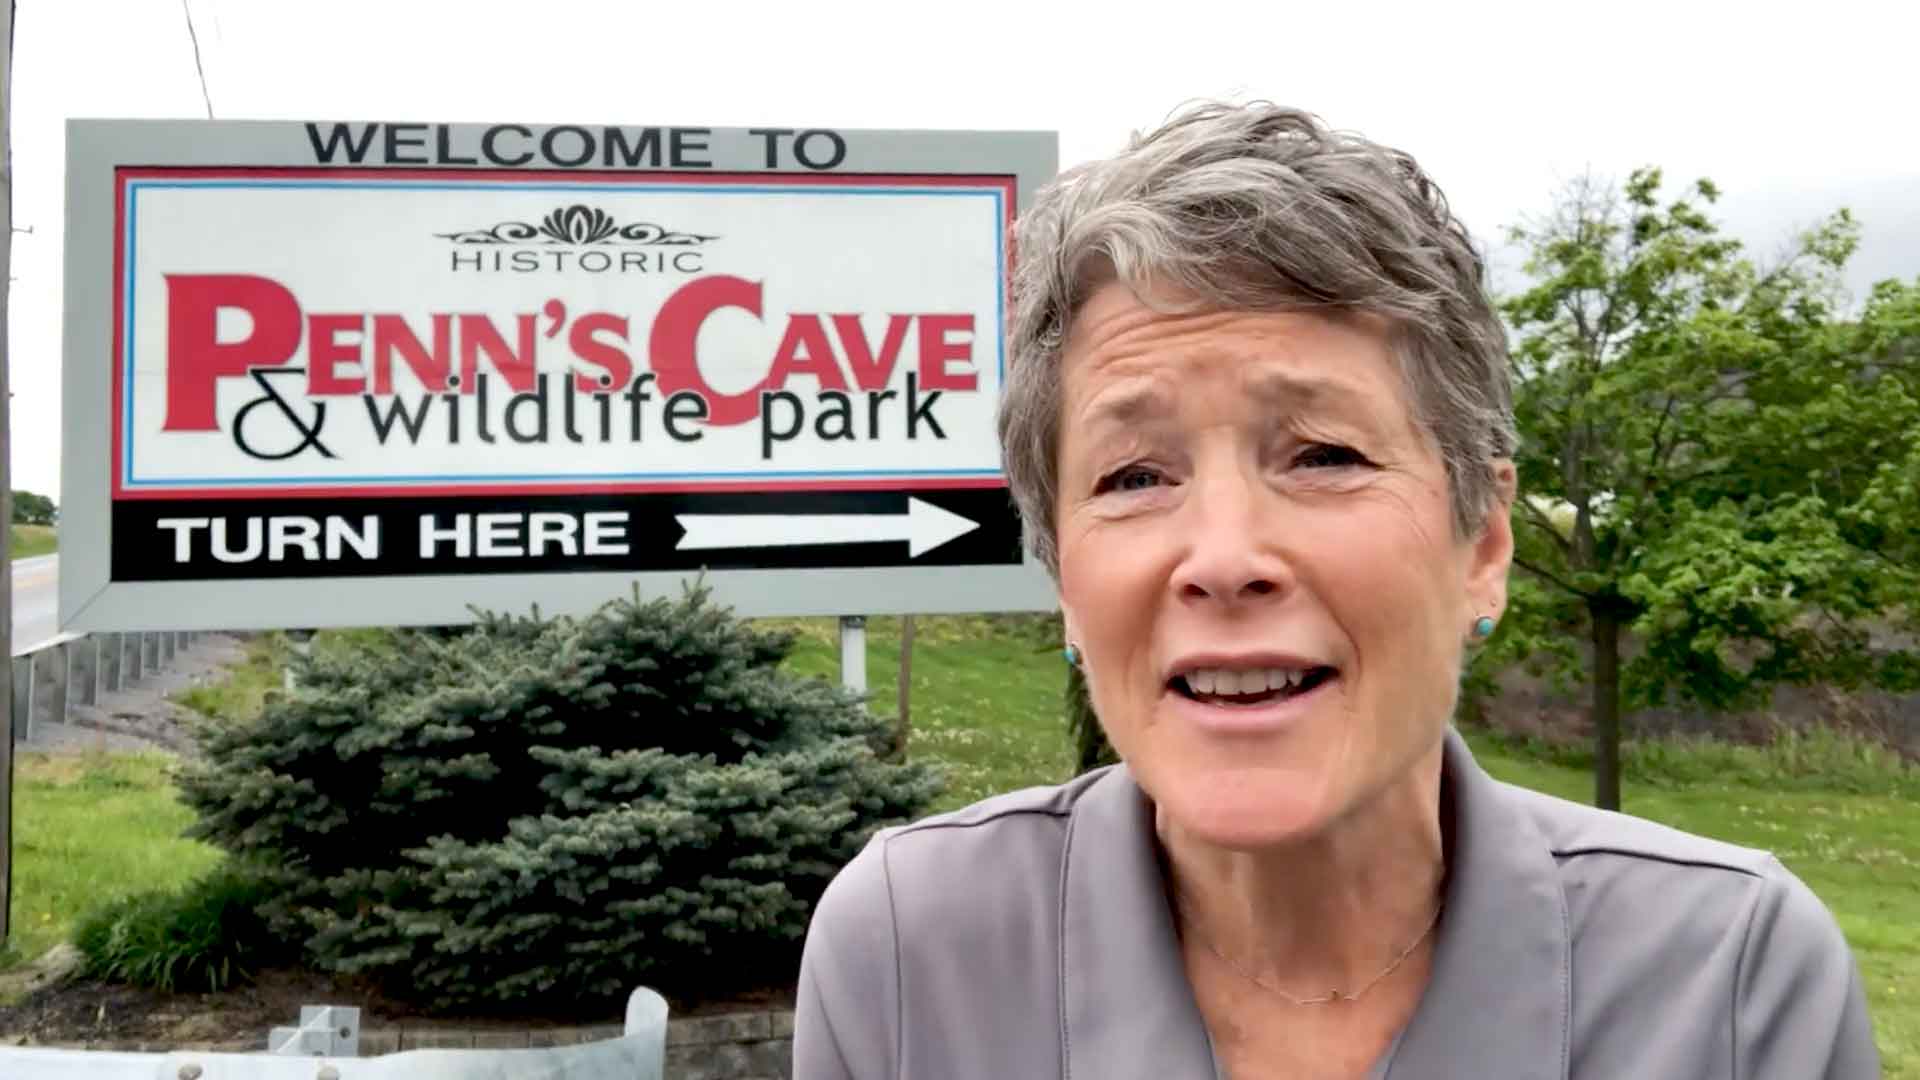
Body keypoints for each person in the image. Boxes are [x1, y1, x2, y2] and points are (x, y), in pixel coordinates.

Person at [791, 101, 1880, 1079]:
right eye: (1133, 476)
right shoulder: (908, 961)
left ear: (1484, 543)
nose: (1222, 557)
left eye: (1322, 455)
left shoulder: (1729, 985)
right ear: (1067, 579)